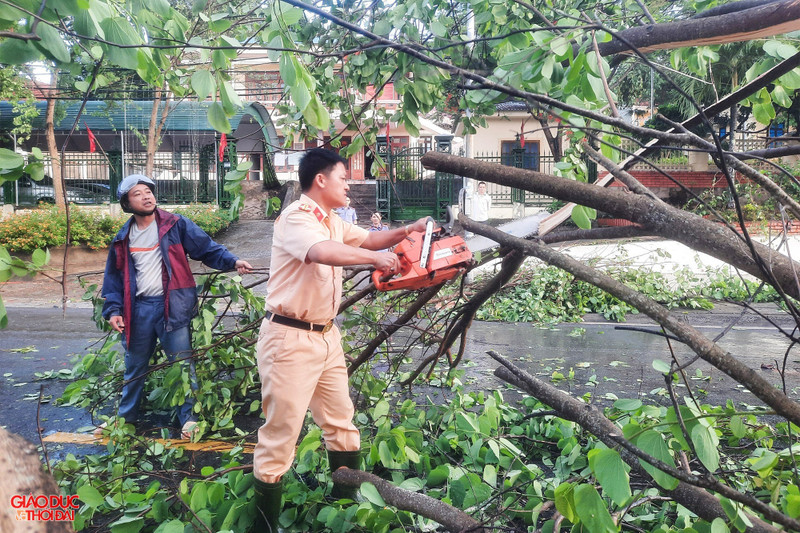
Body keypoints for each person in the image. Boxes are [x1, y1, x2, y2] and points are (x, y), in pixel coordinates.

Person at [252, 148, 427, 531]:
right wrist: (374, 261)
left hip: (326, 336)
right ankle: (263, 525)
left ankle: (345, 509)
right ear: (321, 180)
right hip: (289, 338)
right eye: (343, 177)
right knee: (281, 435)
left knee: (342, 424)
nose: (348, 184)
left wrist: (409, 230)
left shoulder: (331, 220)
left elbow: (372, 239)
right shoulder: (297, 218)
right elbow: (321, 253)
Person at [97, 174, 252, 440]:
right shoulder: (123, 238)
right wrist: (113, 310)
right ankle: (124, 419)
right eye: (138, 193)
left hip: (173, 307)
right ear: (126, 203)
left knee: (182, 365)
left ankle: (188, 420)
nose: (146, 196)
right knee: (134, 366)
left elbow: (206, 248)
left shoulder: (175, 224)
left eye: (148, 191)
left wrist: (232, 261)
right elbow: (112, 278)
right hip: (138, 310)